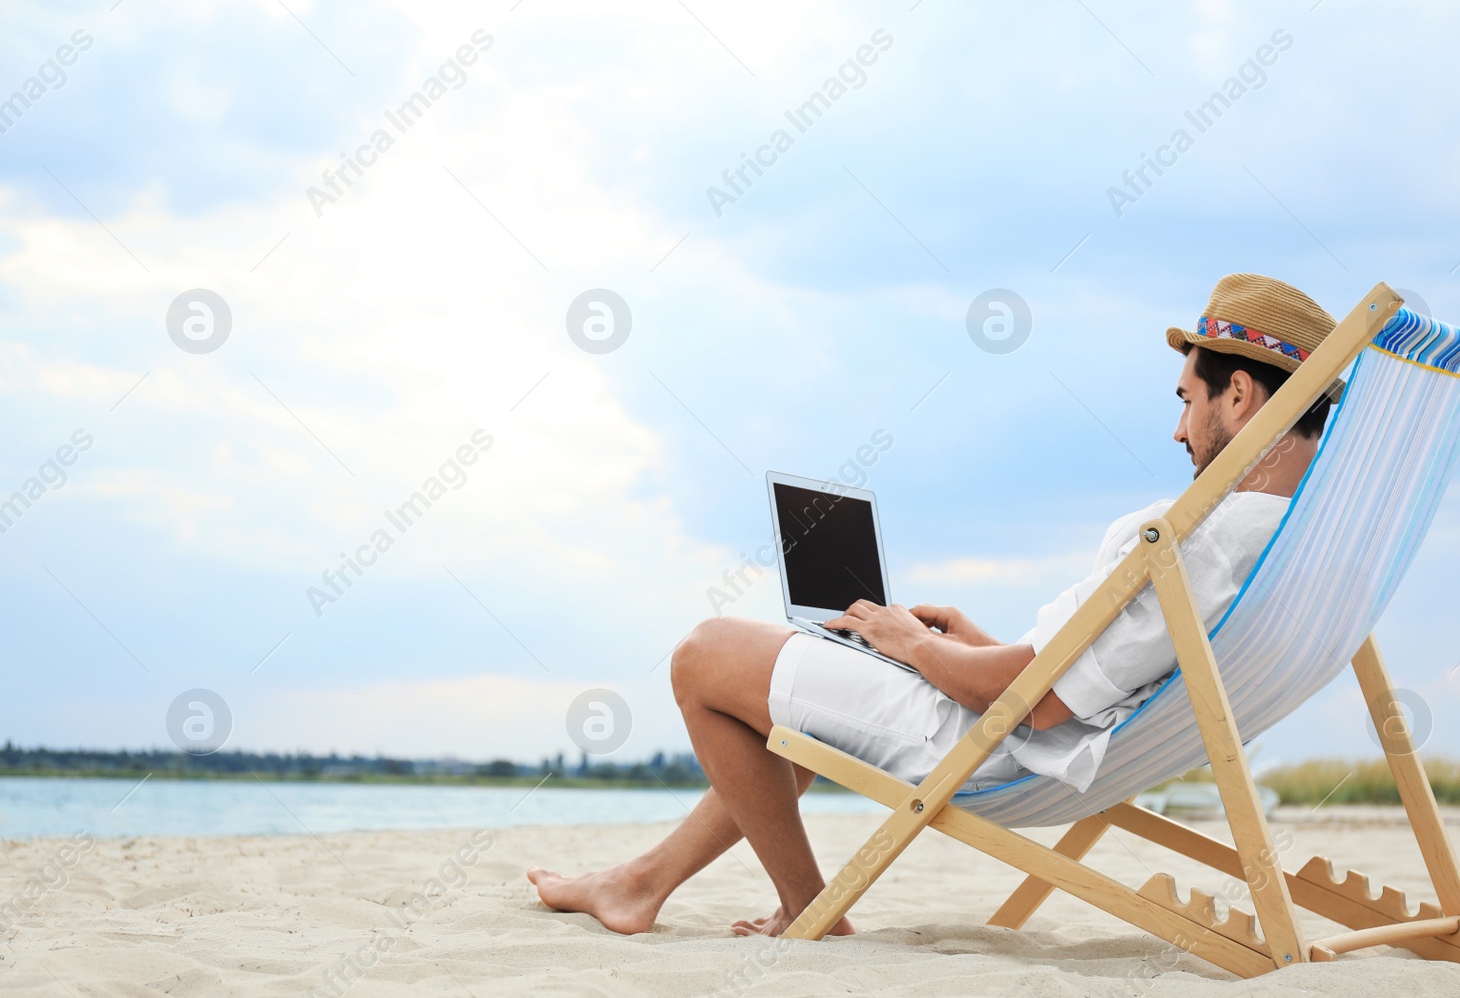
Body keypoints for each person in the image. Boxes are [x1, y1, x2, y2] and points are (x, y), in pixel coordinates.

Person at [528, 273, 1340, 937]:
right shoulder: (1281, 539)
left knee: (704, 653)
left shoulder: (1193, 537)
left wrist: (907, 643)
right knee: (777, 686)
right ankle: (639, 883)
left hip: (986, 744)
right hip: (1031, 732)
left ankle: (808, 908)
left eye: (1185, 398)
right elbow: (1083, 678)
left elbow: (1037, 700)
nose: (1178, 431)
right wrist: (965, 643)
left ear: (1238, 395)